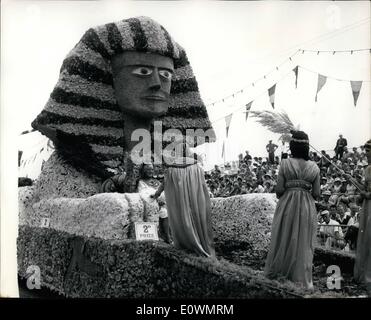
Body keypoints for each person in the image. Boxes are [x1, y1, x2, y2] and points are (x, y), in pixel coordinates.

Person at [30, 16, 214, 198]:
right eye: (143, 71)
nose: (157, 83)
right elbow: (49, 209)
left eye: (166, 74)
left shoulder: (176, 154)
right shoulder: (74, 157)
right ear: (109, 78)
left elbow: (203, 209)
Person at [264, 130, 320, 290]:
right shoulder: (314, 167)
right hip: (306, 206)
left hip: (287, 203)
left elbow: (279, 190)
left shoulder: (285, 163)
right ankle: (300, 277)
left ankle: (281, 273)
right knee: (303, 240)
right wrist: (303, 186)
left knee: (285, 236)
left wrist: (292, 185)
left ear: (292, 146)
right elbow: (316, 194)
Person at [152, 143, 216, 258]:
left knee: (183, 220)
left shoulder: (172, 167)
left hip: (180, 201)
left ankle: (187, 244)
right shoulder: (196, 166)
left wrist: (156, 194)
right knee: (197, 220)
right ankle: (200, 244)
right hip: (195, 200)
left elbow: (165, 183)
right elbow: (202, 185)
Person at [354, 139, 371, 295]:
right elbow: (364, 191)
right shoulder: (367, 170)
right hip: (367, 207)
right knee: (367, 238)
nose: (367, 154)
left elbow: (367, 192)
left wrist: (365, 194)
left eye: (369, 151)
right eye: (366, 151)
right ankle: (365, 273)